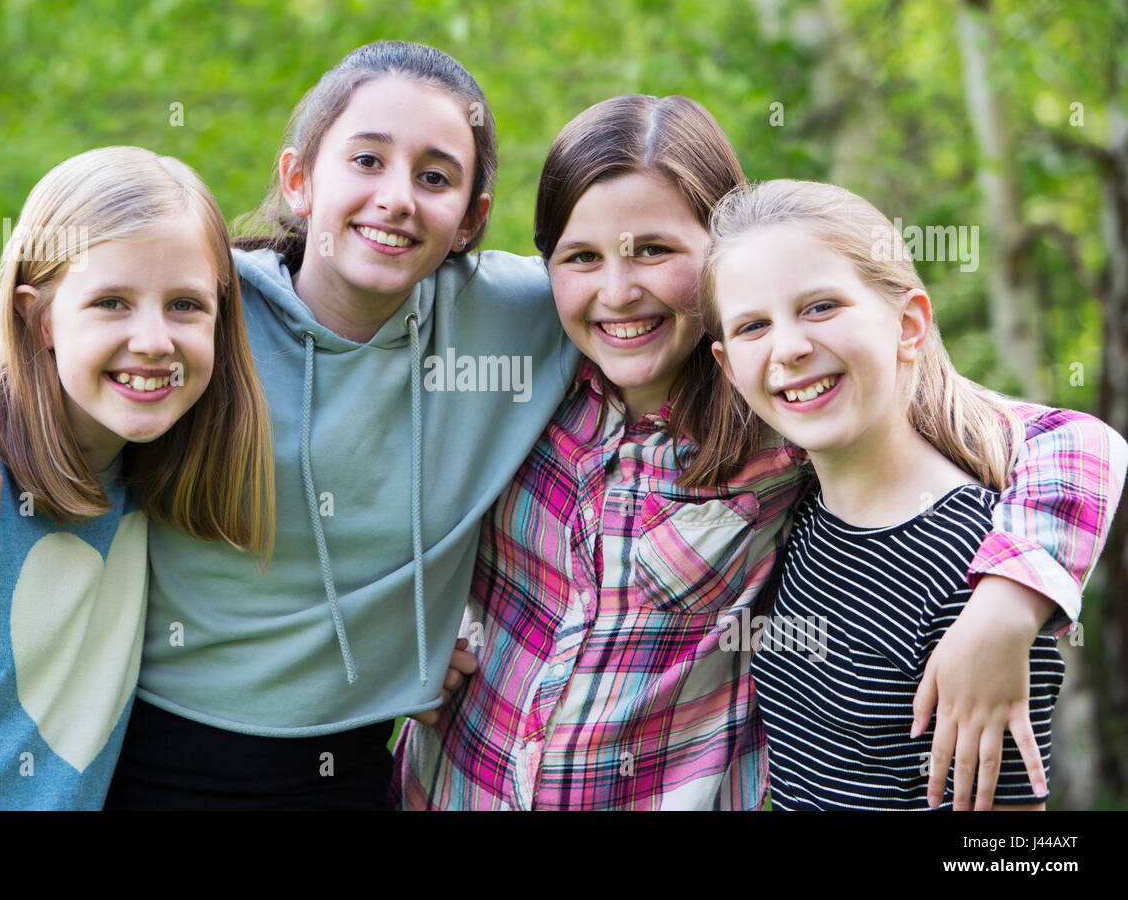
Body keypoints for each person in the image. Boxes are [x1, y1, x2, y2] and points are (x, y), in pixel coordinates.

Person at [0, 41, 580, 809]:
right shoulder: (197, 301)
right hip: (152, 757)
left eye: (434, 176)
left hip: (358, 764)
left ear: (472, 218)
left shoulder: (524, 312)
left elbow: (648, 308)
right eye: (365, 160)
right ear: (298, 181)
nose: (397, 198)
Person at [394, 96, 1128, 810]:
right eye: (580, 257)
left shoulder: (783, 415)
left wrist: (1007, 607)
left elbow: (1074, 442)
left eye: (654, 251)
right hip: (447, 785)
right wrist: (411, 628)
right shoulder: (523, 372)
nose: (618, 291)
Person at [0, 146, 274, 808]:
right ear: (41, 320)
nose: (154, 339)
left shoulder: (144, 480)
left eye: (184, 305)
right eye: (112, 302)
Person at [701, 179, 1125, 809]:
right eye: (754, 325)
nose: (789, 347)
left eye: (821, 307)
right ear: (729, 368)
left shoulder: (985, 572)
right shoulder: (793, 520)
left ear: (908, 324)